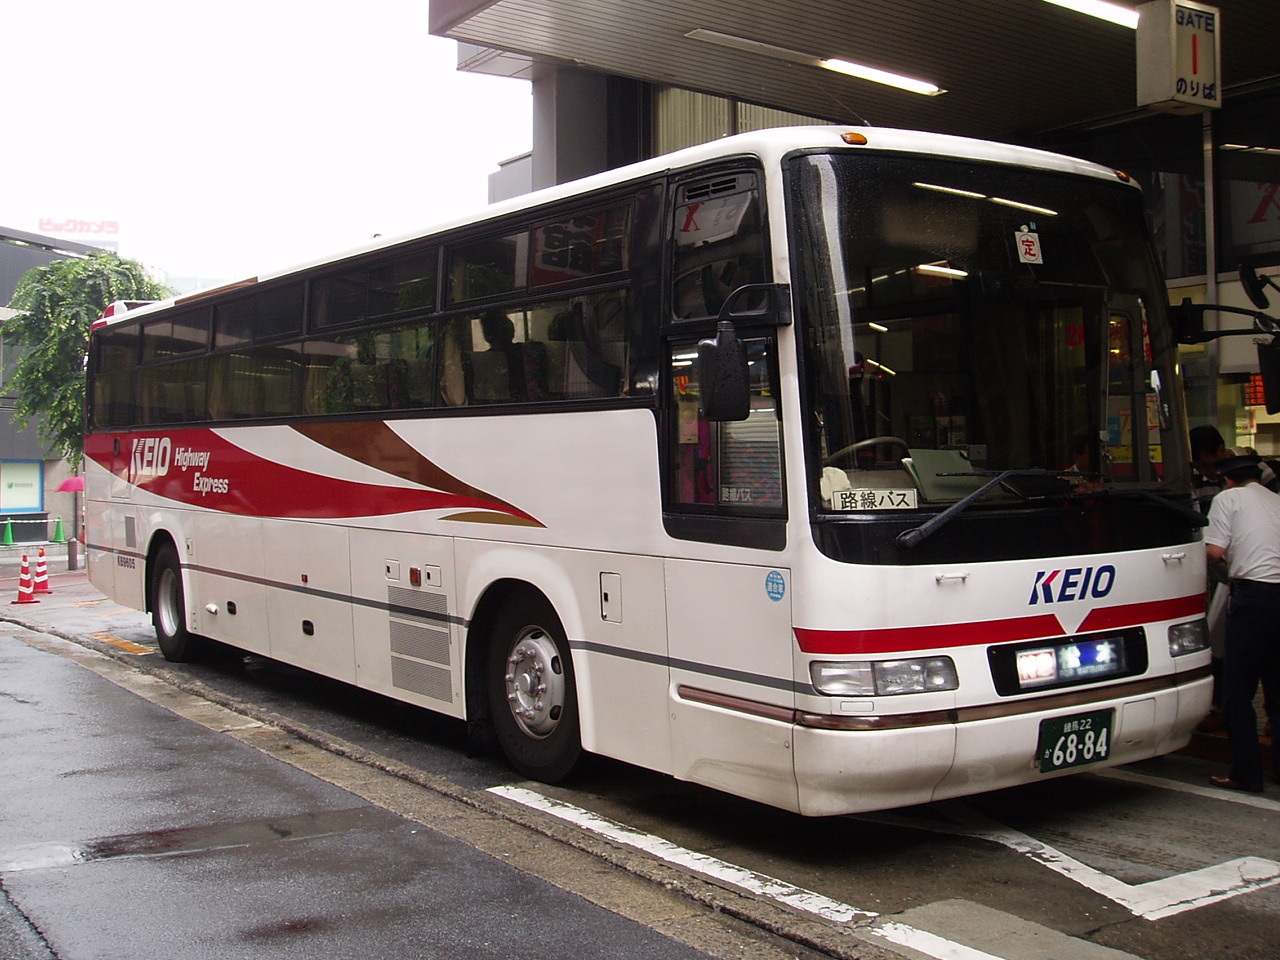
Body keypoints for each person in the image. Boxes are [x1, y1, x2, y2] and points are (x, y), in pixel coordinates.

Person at [1203, 454, 1280, 793]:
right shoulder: (1275, 500)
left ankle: (1246, 773)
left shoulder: (1227, 499)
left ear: (1227, 480)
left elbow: (1215, 551)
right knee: (1277, 692)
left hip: (1252, 600)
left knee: (1237, 692)